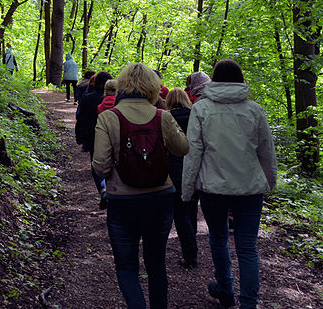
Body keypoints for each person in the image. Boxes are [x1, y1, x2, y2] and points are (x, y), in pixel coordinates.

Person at [182, 59, 277, 309]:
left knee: (218, 237)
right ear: (240, 79)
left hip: (213, 188)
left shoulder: (201, 109)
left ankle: (225, 289)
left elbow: (193, 154)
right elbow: (267, 152)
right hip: (250, 189)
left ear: (215, 80)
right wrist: (269, 182)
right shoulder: (254, 110)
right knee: (247, 248)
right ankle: (248, 303)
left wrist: (187, 189)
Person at [93, 63, 189, 309]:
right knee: (156, 264)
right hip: (160, 197)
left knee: (126, 266)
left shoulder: (108, 117)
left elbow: (100, 166)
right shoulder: (163, 116)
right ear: (153, 87)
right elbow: (183, 148)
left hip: (122, 201)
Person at [165, 88, 198, 268]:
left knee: (179, 214)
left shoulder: (167, 118)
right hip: (195, 170)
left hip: (175, 171)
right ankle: (192, 251)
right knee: (191, 210)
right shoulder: (196, 116)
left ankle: (190, 255)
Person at [75, 71, 113, 203]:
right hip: (111, 135)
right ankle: (112, 189)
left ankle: (102, 189)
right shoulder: (116, 100)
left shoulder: (87, 98)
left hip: (92, 135)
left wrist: (79, 136)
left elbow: (81, 118)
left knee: (95, 163)